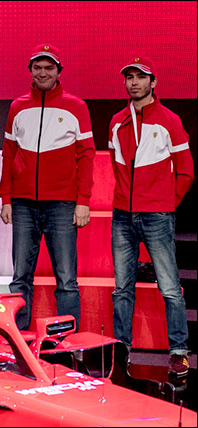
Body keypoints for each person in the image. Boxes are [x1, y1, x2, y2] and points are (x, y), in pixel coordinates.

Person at [0, 44, 95, 331]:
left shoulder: (76, 107)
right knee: (20, 278)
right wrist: (6, 198)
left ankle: (68, 342)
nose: (43, 73)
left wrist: (83, 201)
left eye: (49, 68)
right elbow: (9, 155)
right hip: (23, 203)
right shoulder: (17, 107)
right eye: (37, 67)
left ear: (58, 71)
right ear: (30, 71)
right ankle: (18, 340)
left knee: (66, 279)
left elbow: (87, 156)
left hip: (62, 204)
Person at [109, 56, 194, 377]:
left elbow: (186, 171)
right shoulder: (117, 121)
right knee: (122, 288)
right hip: (123, 215)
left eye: (140, 77)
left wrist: (166, 203)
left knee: (169, 287)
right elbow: (117, 166)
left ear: (153, 82)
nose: (134, 82)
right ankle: (122, 349)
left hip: (157, 214)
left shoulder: (169, 120)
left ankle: (178, 351)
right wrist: (124, 199)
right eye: (129, 77)